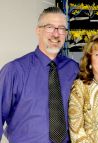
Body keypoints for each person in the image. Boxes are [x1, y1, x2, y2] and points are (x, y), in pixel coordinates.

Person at [0, 7, 79, 143]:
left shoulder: (74, 69)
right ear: (38, 30)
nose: (56, 34)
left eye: (61, 28)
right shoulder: (14, 70)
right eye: (50, 27)